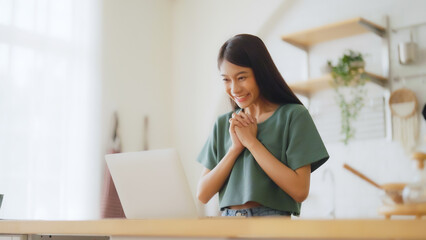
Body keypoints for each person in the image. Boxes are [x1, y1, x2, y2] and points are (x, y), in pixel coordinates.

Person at [196, 34, 329, 217]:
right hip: (228, 225)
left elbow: (300, 190)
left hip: (272, 225)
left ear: (261, 73)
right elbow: (202, 194)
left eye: (242, 77)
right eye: (226, 79)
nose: (234, 89)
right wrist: (235, 149)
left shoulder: (293, 116)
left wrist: (252, 143)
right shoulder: (223, 124)